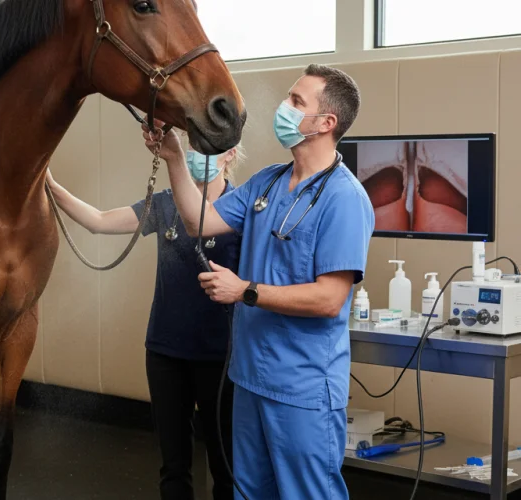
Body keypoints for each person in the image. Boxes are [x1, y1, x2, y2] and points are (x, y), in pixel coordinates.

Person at [143, 64, 376, 499]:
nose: (283, 108)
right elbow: (200, 220)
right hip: (250, 379)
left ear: (327, 123)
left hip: (301, 389)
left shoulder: (345, 199)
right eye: (288, 97)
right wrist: (175, 155)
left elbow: (329, 298)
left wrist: (245, 290)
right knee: (249, 492)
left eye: (296, 102)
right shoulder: (265, 182)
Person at [45, 138, 245, 500]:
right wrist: (52, 187)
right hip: (165, 352)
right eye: (193, 145)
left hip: (221, 357)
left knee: (226, 464)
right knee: (173, 466)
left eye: (209, 147)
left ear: (231, 153)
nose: (197, 155)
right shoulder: (166, 204)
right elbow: (100, 222)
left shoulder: (241, 208)